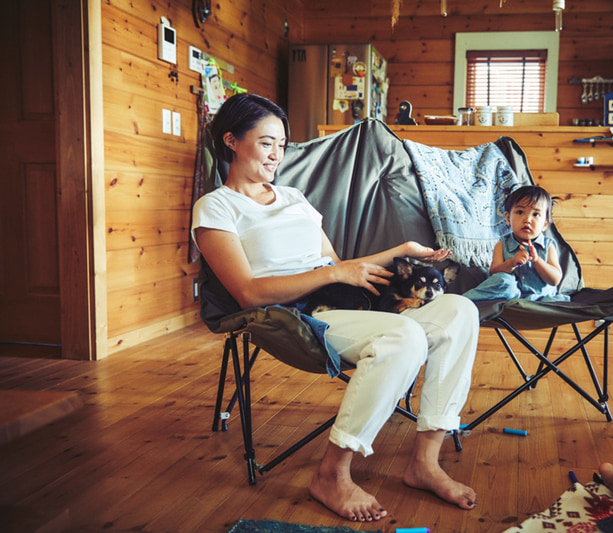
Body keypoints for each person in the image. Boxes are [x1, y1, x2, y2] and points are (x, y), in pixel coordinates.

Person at [191, 93, 480, 522]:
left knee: (459, 310)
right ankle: (332, 472)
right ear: (232, 141)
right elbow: (248, 293)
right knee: (403, 335)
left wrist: (401, 250)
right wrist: (332, 275)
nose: (276, 154)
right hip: (296, 313)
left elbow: (338, 266)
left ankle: (425, 461)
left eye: (282, 145)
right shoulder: (216, 207)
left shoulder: (294, 198)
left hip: (340, 298)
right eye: (267, 142)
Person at [463, 185, 567, 302]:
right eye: (520, 212)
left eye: (536, 214)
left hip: (540, 298)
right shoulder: (502, 244)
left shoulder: (548, 245)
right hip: (509, 296)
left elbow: (555, 280)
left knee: (556, 300)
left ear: (545, 224)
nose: (527, 219)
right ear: (508, 218)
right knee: (504, 281)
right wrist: (511, 263)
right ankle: (464, 300)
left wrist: (537, 260)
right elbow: (494, 273)